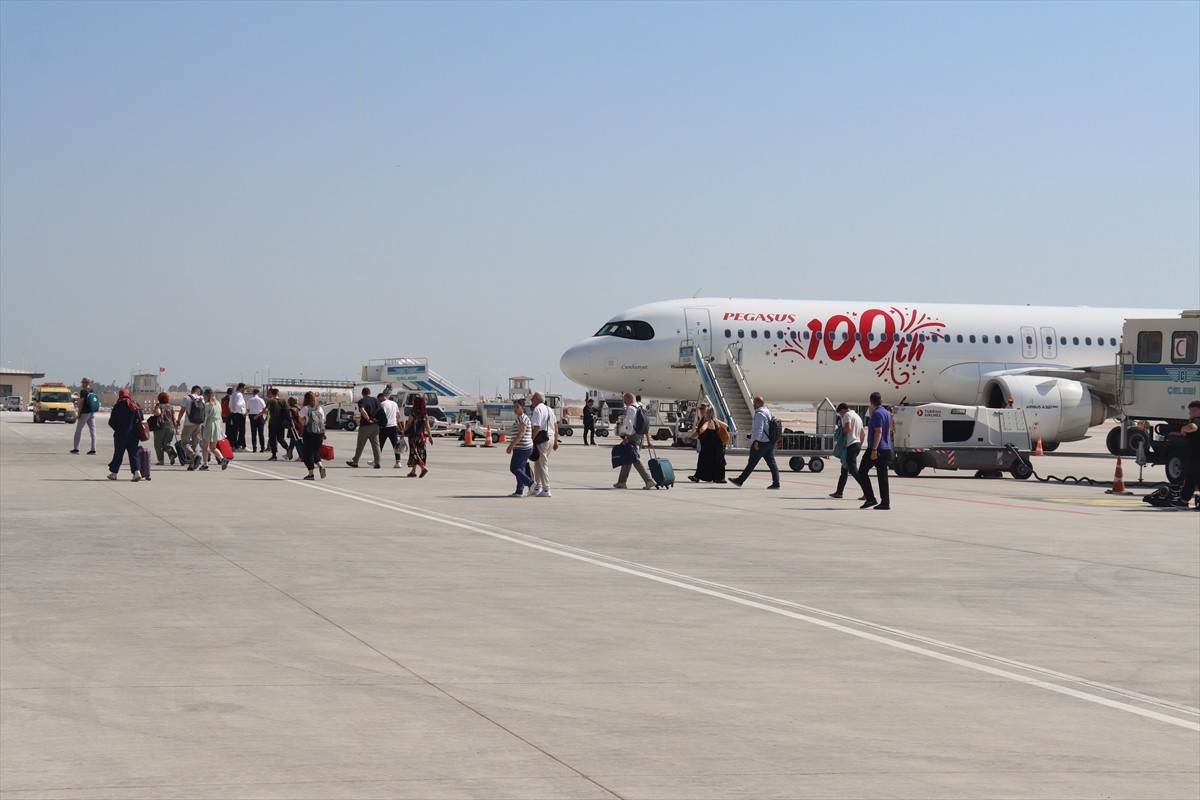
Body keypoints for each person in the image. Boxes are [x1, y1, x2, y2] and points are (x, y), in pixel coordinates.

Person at [730, 396, 781, 489]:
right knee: (772, 463)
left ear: (758, 403)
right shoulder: (768, 412)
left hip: (761, 442)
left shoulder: (759, 414)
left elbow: (759, 429)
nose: (753, 404)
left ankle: (740, 480)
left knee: (752, 462)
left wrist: (756, 441)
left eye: (754, 403)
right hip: (770, 442)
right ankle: (776, 482)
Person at [857, 391, 893, 510]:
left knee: (862, 472)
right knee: (882, 476)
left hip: (877, 448)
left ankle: (870, 498)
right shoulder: (887, 413)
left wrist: (873, 449)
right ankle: (885, 502)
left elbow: (879, 431)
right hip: (886, 447)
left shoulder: (877, 414)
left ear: (871, 402)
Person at [613, 392, 655, 490]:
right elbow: (646, 426)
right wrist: (647, 440)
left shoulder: (631, 409)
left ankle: (649, 480)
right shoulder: (640, 408)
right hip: (640, 436)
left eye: (624, 399)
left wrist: (626, 437)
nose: (624, 401)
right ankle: (621, 482)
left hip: (633, 436)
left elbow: (630, 425)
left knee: (635, 459)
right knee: (628, 458)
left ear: (629, 398)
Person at [106, 388, 143, 481]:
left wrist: (117, 429)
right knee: (133, 453)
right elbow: (141, 418)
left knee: (118, 454)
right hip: (133, 435)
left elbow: (111, 422)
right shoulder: (135, 405)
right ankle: (137, 472)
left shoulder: (117, 406)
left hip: (120, 435)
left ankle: (114, 473)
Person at [830, 402, 865, 499]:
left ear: (842, 410)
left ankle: (867, 492)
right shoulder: (857, 416)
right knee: (844, 469)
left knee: (853, 470)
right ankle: (839, 492)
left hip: (851, 445)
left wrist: (841, 432)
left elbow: (848, 428)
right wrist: (859, 445)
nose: (841, 416)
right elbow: (863, 434)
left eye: (840, 414)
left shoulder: (847, 415)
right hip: (857, 444)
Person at [687, 405, 727, 483]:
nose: (701, 411)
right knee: (717, 461)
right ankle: (719, 478)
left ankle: (698, 476)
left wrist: (701, 430)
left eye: (703, 409)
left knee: (703, 460)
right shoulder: (716, 421)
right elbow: (726, 426)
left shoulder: (708, 421)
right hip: (717, 444)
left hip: (709, 445)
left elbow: (702, 429)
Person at [528, 392, 558, 497]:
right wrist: (556, 441)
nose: (531, 400)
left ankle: (546, 489)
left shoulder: (537, 409)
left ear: (537, 399)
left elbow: (536, 426)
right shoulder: (549, 409)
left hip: (542, 439)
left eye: (532, 398)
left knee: (542, 463)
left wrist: (531, 439)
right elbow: (555, 425)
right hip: (551, 437)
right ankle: (538, 487)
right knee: (538, 463)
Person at [505, 398, 536, 496]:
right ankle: (519, 490)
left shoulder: (523, 418)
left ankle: (530, 483)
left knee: (514, 468)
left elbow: (521, 434)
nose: (515, 409)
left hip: (523, 448)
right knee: (520, 469)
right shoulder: (520, 418)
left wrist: (511, 445)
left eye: (517, 407)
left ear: (523, 408)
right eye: (514, 407)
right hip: (521, 447)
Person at [346, 387, 382, 469]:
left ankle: (355, 461)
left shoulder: (362, 401)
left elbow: (362, 410)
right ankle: (377, 462)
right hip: (376, 425)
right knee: (376, 444)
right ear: (370, 393)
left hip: (366, 425)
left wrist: (368, 419)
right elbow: (381, 410)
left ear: (362, 394)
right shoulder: (375, 400)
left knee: (360, 444)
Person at [1174, 399, 1200, 509]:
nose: (1189, 413)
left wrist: (1183, 428)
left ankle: (1184, 500)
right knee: (1191, 478)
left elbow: (1193, 427)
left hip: (1197, 456)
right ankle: (1184, 500)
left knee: (1196, 477)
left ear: (1196, 410)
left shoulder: (1197, 420)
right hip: (1193, 456)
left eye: (1191, 411)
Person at [298, 390, 327, 480]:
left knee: (308, 453)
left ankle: (311, 474)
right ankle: (320, 466)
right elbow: (323, 420)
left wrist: (304, 422)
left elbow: (300, 418)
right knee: (315, 451)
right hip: (319, 433)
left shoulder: (305, 408)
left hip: (309, 433)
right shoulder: (319, 408)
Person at [176, 385, 205, 470]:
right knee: (195, 444)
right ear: (198, 391)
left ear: (192, 390)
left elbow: (182, 411)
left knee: (184, 443)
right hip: (199, 424)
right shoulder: (202, 399)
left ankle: (194, 456)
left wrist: (178, 421)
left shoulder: (187, 398)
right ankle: (192, 465)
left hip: (189, 424)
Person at [403, 394, 432, 477]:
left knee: (414, 452)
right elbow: (427, 427)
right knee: (419, 452)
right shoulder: (424, 414)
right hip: (422, 436)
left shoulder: (413, 413)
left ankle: (423, 468)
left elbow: (408, 424)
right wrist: (430, 436)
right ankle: (413, 471)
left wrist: (403, 432)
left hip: (413, 436)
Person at [201, 388, 229, 471]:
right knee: (213, 447)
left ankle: (205, 464)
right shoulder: (217, 404)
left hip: (209, 426)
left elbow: (205, 417)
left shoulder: (207, 405)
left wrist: (202, 426)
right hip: (217, 425)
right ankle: (222, 458)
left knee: (205, 447)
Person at [71, 377, 98, 454]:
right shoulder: (92, 390)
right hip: (92, 412)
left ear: (86, 383)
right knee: (93, 431)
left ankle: (76, 448)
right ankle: (93, 449)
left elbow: (82, 402)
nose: (82, 384)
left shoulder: (83, 391)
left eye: (83, 383)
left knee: (78, 430)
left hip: (85, 412)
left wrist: (79, 413)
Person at [151, 391, 178, 466]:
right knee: (166, 444)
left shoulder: (159, 405)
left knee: (158, 444)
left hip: (161, 427)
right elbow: (174, 418)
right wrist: (176, 428)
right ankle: (171, 453)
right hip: (170, 427)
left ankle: (161, 460)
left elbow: (158, 413)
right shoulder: (171, 406)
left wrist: (154, 410)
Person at [265, 388, 292, 461]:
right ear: (278, 393)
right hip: (281, 423)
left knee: (273, 439)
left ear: (272, 393)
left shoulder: (270, 401)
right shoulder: (283, 401)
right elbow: (287, 412)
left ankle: (274, 455)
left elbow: (266, 410)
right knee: (280, 438)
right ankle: (288, 448)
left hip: (273, 423)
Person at [377, 389, 403, 467]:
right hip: (393, 427)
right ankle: (398, 462)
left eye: (379, 400)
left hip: (385, 427)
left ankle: (377, 461)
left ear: (381, 397)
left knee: (380, 444)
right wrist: (394, 421)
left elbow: (382, 415)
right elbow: (398, 416)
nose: (379, 401)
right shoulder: (394, 403)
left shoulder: (383, 404)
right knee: (395, 445)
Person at [245, 388, 267, 453]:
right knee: (261, 433)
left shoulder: (249, 400)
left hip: (252, 416)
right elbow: (264, 410)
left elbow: (248, 410)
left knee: (253, 433)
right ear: (258, 393)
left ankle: (254, 448)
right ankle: (262, 448)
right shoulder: (261, 400)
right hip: (259, 416)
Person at [229, 383, 248, 450]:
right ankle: (240, 445)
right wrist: (244, 412)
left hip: (234, 414)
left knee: (234, 430)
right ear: (241, 388)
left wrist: (232, 411)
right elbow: (239, 404)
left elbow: (230, 405)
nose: (245, 390)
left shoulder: (233, 394)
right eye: (245, 388)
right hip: (239, 414)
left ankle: (234, 445)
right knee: (242, 431)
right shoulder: (239, 395)